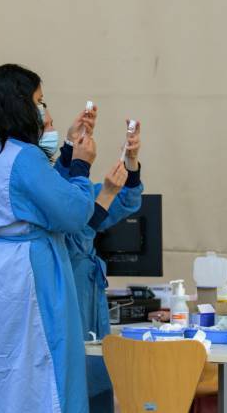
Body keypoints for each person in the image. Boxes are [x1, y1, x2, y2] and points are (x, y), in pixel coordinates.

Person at [0, 64, 96, 413]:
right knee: (41, 366)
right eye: (39, 101)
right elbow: (71, 212)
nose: (43, 110)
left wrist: (66, 149)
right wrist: (81, 166)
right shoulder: (24, 157)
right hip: (26, 275)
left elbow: (37, 196)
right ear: (20, 103)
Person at [54, 118, 143, 413]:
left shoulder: (76, 190)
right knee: (72, 383)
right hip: (70, 294)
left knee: (96, 379)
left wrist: (130, 162)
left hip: (90, 296)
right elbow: (77, 232)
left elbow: (127, 202)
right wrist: (104, 193)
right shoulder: (51, 193)